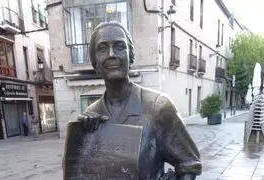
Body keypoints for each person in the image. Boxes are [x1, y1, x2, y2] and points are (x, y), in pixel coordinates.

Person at [72, 21, 202, 180]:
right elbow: (78, 172)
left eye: (120, 46)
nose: (111, 54)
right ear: (95, 63)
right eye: (103, 48)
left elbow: (190, 163)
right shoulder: (91, 115)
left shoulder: (158, 107)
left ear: (130, 57)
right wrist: (80, 137)